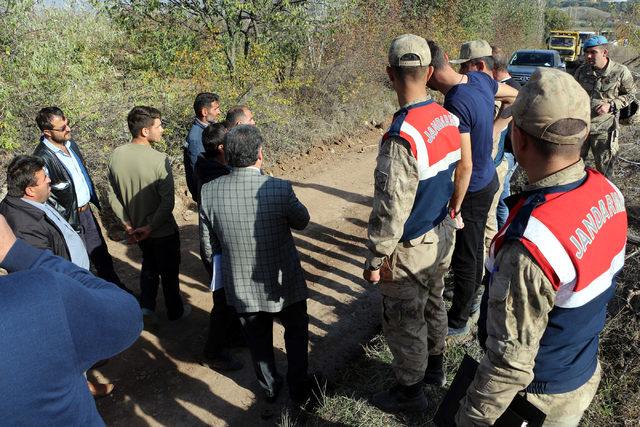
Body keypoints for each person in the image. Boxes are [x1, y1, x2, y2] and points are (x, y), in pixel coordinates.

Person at [456, 68, 628, 426]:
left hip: (538, 398)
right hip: (580, 369)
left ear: (517, 139)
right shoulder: (608, 193)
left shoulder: (531, 243)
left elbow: (509, 364)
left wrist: (469, 419)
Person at [361, 34, 467, 413]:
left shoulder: (401, 135)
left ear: (390, 74)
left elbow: (390, 208)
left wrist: (376, 259)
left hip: (410, 248)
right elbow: (459, 172)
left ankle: (411, 393)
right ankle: (435, 368)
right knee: (435, 303)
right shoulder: (445, 117)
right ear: (428, 71)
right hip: (441, 233)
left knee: (405, 321)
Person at [199, 125, 317, 405]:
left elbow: (207, 247)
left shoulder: (209, 192)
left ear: (225, 156)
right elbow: (302, 220)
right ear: (260, 154)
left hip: (240, 284)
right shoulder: (277, 187)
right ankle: (299, 387)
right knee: (297, 331)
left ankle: (269, 386)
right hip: (283, 279)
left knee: (257, 338)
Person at [0, 214, 142, 425]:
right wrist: (18, 254)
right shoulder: (35, 297)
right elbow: (128, 315)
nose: (49, 181)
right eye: (43, 178)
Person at [427, 40, 518, 336]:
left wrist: (455, 203)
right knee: (473, 247)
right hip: (488, 178)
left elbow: (464, 165)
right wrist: (496, 127)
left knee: (468, 253)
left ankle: (459, 319)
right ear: (447, 59)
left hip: (474, 187)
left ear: (428, 73)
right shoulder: (480, 79)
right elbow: (515, 96)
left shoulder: (454, 102)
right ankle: (468, 301)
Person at [108, 106, 190, 321]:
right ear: (145, 131)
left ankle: (147, 307)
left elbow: (112, 196)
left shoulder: (117, 155)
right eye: (159, 125)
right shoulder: (158, 159)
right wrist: (151, 226)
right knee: (170, 272)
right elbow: (167, 202)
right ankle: (176, 311)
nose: (162, 129)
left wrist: (128, 224)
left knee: (149, 266)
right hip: (161, 230)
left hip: (136, 229)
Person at [33, 107, 128, 291]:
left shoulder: (71, 144)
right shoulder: (41, 158)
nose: (68, 129)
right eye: (62, 128)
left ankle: (118, 292)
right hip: (68, 219)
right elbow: (43, 196)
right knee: (79, 263)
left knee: (101, 256)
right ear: (47, 132)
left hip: (86, 213)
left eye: (67, 123)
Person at [194, 123, 243, 372]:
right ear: (222, 147)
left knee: (228, 300)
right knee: (222, 303)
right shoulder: (215, 176)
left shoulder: (210, 166)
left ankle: (234, 336)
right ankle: (212, 352)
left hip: (219, 248)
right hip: (219, 251)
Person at [0, 155, 89, 269]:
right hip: (71, 281)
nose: (49, 180)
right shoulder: (25, 227)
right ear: (30, 191)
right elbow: (47, 271)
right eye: (44, 178)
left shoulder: (33, 201)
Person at [574, 35, 636, 176]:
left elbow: (631, 94)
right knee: (574, 169)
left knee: (605, 171)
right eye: (586, 52)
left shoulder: (620, 72)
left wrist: (611, 105)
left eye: (593, 52)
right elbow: (573, 94)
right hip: (581, 128)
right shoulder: (582, 71)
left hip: (604, 130)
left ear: (604, 52)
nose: (588, 56)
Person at [492, 46, 522, 229]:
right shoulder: (512, 86)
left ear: (494, 69)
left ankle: (505, 230)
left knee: (502, 196)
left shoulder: (510, 89)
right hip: (506, 151)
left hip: (508, 152)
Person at [184, 93, 221, 201]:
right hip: (207, 195)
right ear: (205, 112)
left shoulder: (207, 130)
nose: (219, 112)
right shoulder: (196, 138)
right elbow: (199, 172)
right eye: (216, 109)